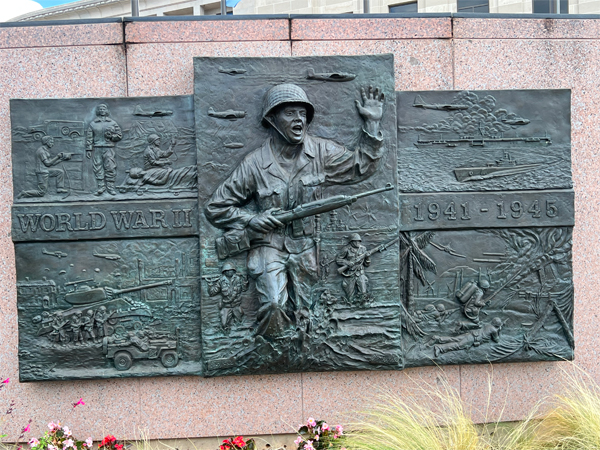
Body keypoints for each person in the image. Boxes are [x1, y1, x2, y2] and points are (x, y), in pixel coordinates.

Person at [205, 83, 385, 337]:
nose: (299, 119)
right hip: (268, 245)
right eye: (290, 113)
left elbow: (362, 166)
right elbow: (216, 208)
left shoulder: (321, 152)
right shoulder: (254, 164)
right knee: (274, 305)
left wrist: (372, 124)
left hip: (306, 247)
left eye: (303, 114)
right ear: (272, 119)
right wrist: (251, 220)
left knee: (307, 314)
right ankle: (269, 357)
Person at [86, 103, 122, 196]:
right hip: (97, 148)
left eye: (104, 109)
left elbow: (119, 135)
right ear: (98, 111)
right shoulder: (93, 124)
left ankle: (110, 188)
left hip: (108, 148)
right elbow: (89, 137)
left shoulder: (112, 123)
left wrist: (112, 137)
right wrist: (89, 149)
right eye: (100, 109)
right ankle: (101, 187)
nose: (102, 110)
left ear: (106, 111)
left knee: (110, 167)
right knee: (98, 168)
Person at [432, 317, 503, 357]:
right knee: (458, 345)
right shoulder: (494, 330)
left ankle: (438, 338)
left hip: (471, 333)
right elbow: (496, 340)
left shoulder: (487, 324)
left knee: (454, 338)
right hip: (473, 339)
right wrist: (498, 331)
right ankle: (440, 347)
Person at [208, 263, 249, 331]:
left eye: (231, 270)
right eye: (227, 270)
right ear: (224, 272)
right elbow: (212, 293)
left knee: (239, 322)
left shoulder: (238, 279)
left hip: (236, 305)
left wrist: (245, 280)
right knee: (224, 324)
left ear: (233, 271)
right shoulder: (221, 281)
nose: (229, 272)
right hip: (226, 306)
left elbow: (244, 289)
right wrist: (210, 285)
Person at [336, 233, 371, 300]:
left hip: (360, 273)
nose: (358, 242)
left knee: (363, 293)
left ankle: (363, 304)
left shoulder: (363, 249)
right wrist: (348, 263)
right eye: (356, 241)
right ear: (351, 242)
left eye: (359, 241)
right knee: (349, 297)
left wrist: (368, 258)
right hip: (350, 274)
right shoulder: (346, 249)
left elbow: (367, 264)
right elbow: (338, 259)